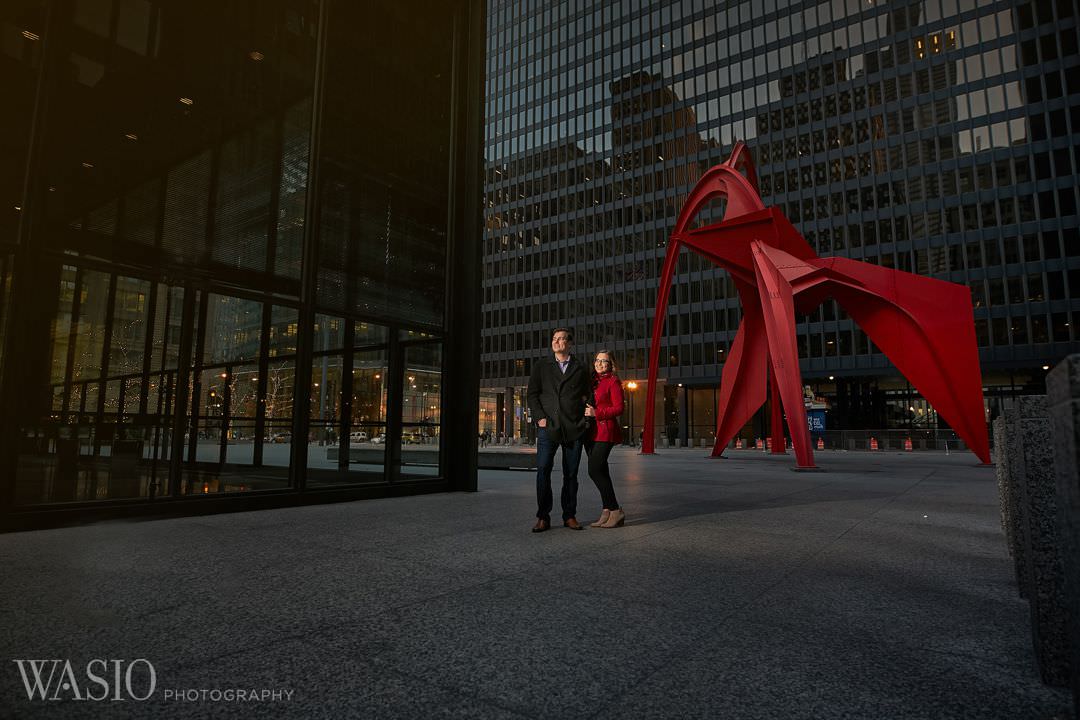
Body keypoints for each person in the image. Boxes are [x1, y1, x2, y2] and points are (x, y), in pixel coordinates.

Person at [526, 328, 591, 532]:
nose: (556, 342)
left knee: (570, 474)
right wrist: (540, 418)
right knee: (543, 471)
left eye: (561, 339)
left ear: (570, 343)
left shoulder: (580, 367)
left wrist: (584, 419)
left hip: (574, 427)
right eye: (554, 339)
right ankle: (543, 516)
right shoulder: (542, 366)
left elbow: (588, 395)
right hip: (549, 427)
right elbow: (532, 394)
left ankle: (569, 515)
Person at [584, 350, 626, 528]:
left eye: (604, 361)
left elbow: (619, 408)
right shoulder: (592, 381)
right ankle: (606, 510)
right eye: (597, 360)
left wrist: (597, 413)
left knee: (593, 470)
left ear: (611, 365)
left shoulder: (613, 381)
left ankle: (616, 510)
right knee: (603, 472)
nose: (600, 364)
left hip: (605, 431)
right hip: (590, 432)